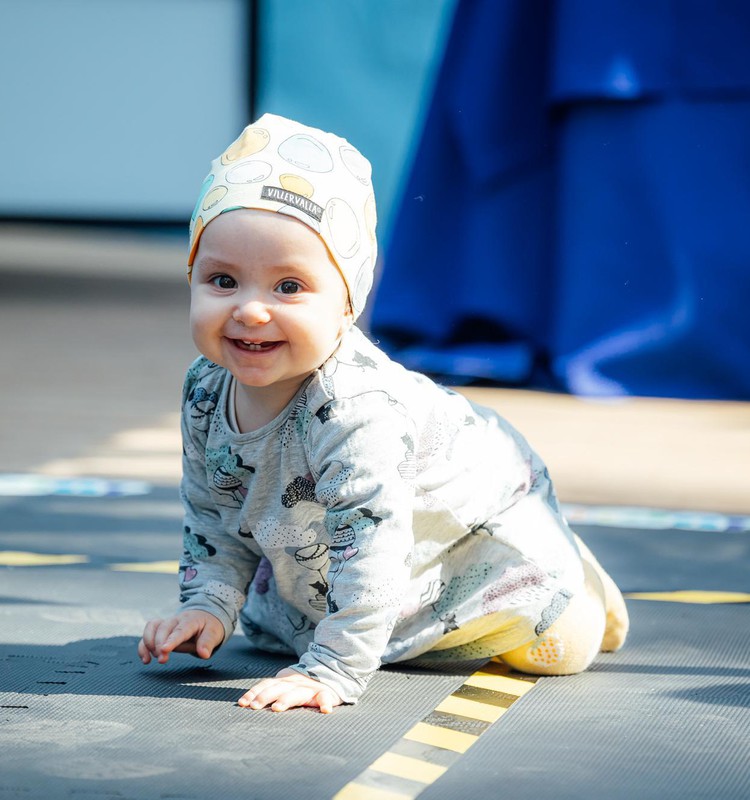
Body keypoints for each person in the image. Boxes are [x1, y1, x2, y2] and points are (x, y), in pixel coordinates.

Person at [138, 113, 629, 713]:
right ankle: (354, 627)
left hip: (464, 535)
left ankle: (577, 580)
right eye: (222, 280)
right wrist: (207, 603)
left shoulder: (356, 413)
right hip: (331, 543)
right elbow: (214, 508)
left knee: (558, 645)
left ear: (348, 302)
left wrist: (332, 669)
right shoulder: (205, 388)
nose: (251, 310)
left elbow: (371, 548)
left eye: (289, 287)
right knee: (271, 630)